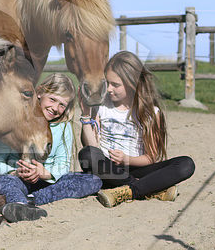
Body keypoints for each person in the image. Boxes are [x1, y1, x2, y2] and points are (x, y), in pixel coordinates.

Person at [78, 51, 195, 208]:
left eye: (116, 85)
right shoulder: (101, 106)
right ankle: (148, 189)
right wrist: (86, 117)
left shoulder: (150, 112)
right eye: (107, 83)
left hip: (137, 167)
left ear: (132, 83)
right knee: (87, 155)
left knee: (186, 164)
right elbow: (92, 147)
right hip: (107, 168)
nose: (109, 89)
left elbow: (151, 157)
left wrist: (127, 159)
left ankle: (128, 190)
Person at [0, 73, 102, 222]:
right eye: (52, 99)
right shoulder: (11, 122)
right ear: (40, 92)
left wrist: (46, 173)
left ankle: (29, 201)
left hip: (47, 184)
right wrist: (15, 172)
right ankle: (19, 202)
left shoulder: (63, 127)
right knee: (5, 181)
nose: (55, 108)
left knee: (92, 180)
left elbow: (63, 164)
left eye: (62, 105)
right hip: (17, 179)